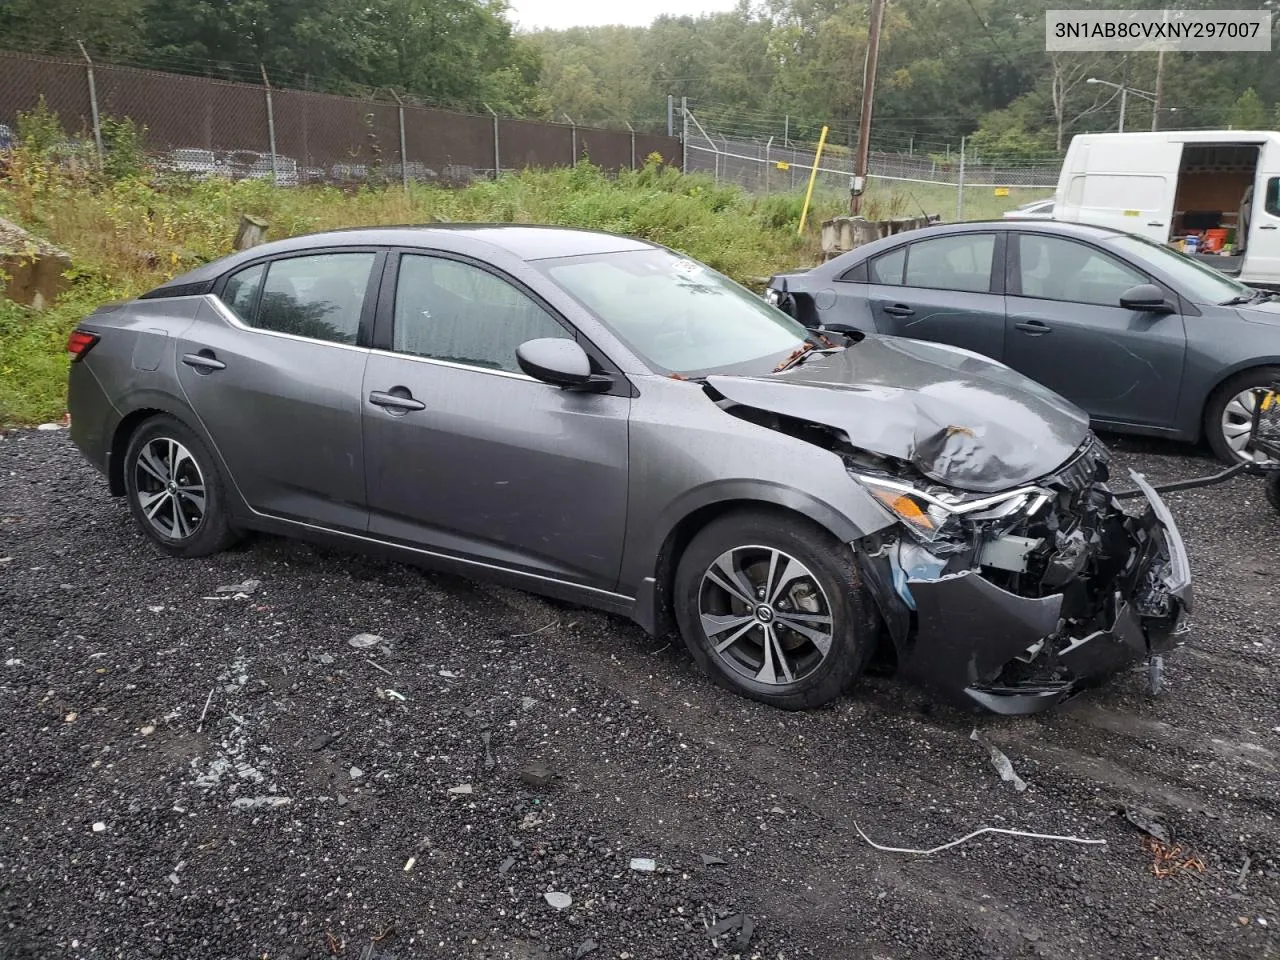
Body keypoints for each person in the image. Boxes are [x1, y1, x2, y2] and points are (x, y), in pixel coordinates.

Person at [1238, 182, 1254, 255]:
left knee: (1243, 230)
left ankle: (1241, 247)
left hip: (1247, 209)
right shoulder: (1246, 207)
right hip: (1248, 209)